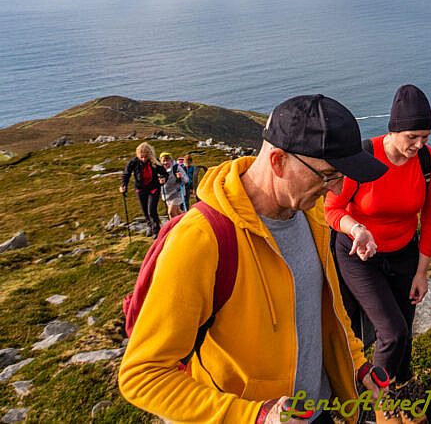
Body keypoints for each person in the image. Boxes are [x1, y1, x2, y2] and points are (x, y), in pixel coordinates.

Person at [119, 94, 390, 424]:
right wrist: (255, 416)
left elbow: (323, 310)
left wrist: (356, 363)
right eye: (328, 174)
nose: (336, 189)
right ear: (277, 162)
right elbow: (142, 375)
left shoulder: (311, 212)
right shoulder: (201, 240)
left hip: (315, 411)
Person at [325, 84, 431, 388]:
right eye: (412, 137)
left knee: (404, 333)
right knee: (391, 333)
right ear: (393, 131)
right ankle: (370, 401)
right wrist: (357, 229)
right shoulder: (365, 157)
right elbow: (332, 208)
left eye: (426, 137)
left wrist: (421, 273)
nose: (419, 144)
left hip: (403, 254)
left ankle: (400, 390)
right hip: (357, 254)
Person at [120, 142, 168, 237]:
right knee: (145, 210)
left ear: (149, 154)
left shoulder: (155, 162)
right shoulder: (134, 162)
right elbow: (126, 174)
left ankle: (156, 230)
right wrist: (123, 185)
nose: (143, 159)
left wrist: (163, 179)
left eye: (145, 157)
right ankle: (149, 226)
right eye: (141, 157)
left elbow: (164, 173)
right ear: (138, 155)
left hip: (154, 188)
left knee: (152, 210)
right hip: (141, 189)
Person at [159, 152, 188, 218]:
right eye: (164, 161)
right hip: (167, 195)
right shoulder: (160, 170)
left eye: (167, 160)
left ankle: (177, 227)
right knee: (178, 212)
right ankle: (188, 219)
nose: (166, 162)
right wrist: (160, 182)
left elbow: (186, 180)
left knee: (171, 212)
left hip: (177, 193)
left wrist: (180, 177)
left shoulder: (176, 167)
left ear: (171, 160)